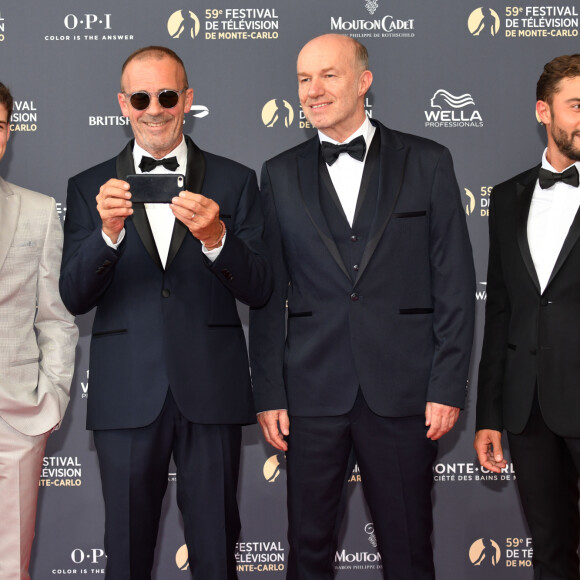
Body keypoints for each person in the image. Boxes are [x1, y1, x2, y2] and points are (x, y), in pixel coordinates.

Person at [250, 34, 475, 579]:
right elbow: (267, 296)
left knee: (408, 551)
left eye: (328, 75)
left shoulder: (427, 162)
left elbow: (454, 285)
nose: (313, 90)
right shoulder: (278, 173)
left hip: (403, 395)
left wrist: (446, 386)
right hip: (310, 394)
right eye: (304, 79)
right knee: (306, 551)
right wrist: (270, 392)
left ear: (363, 81)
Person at [59, 46, 271, 579]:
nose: (155, 109)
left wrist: (218, 238)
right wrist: (106, 236)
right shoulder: (88, 189)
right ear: (123, 104)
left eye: (168, 95)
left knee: (217, 549)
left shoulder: (236, 180)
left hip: (211, 391)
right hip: (127, 394)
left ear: (188, 100)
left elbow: (262, 288)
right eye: (141, 97)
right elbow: (73, 296)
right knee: (126, 553)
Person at [475, 54, 580, 579]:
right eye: (576, 106)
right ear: (544, 111)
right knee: (550, 552)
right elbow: (500, 312)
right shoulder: (508, 197)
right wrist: (489, 414)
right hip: (529, 409)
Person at [0, 81, 78, 579]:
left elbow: (56, 317)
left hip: (14, 418)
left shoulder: (38, 211)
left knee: (11, 567)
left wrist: (50, 397)